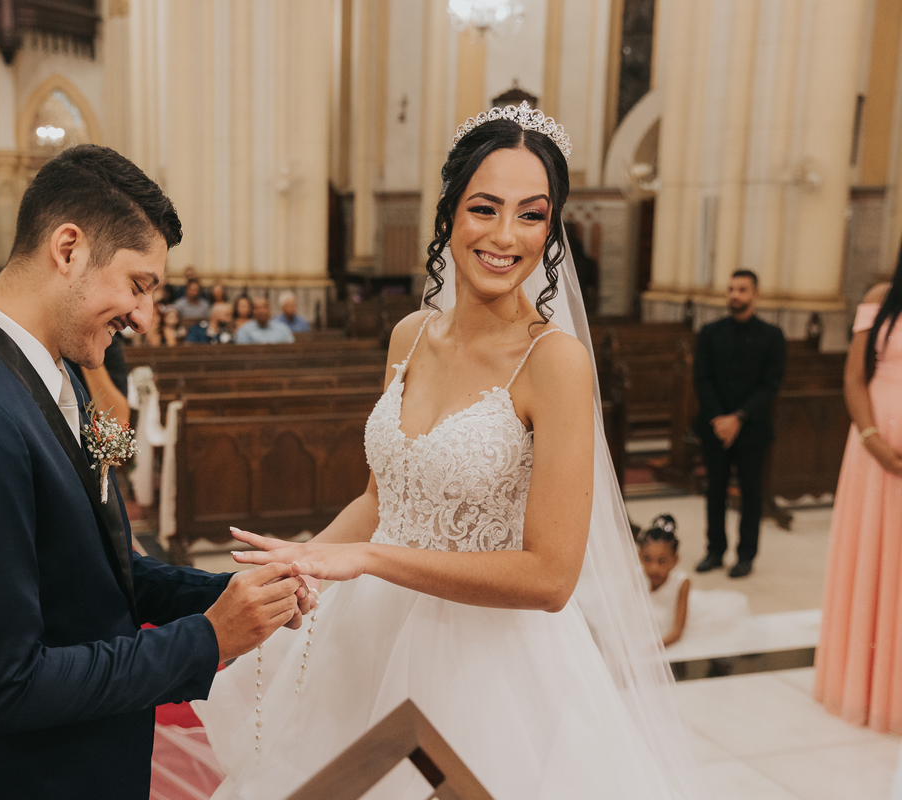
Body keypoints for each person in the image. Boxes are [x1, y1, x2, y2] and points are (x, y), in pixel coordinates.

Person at [195, 104, 703, 800]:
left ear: (551, 231)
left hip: (486, 663)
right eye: (484, 208)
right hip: (366, 636)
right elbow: (381, 502)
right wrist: (304, 555)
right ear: (448, 215)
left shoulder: (554, 362)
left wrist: (368, 561)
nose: (504, 236)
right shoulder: (409, 337)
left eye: (531, 215)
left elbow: (553, 578)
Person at [0, 143, 313, 799]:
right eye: (139, 285)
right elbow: (6, 686)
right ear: (68, 250)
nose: (144, 316)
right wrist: (206, 639)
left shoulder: (48, 373)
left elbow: (96, 569)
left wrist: (233, 598)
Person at [814, 251, 902, 735]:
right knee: (874, 560)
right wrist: (873, 440)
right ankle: (864, 688)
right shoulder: (880, 299)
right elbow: (853, 377)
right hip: (874, 453)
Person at [692, 270, 786, 578]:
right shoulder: (709, 332)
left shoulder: (772, 336)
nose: (735, 295)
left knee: (751, 493)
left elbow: (771, 384)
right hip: (714, 425)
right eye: (731, 289)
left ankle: (746, 555)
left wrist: (739, 418)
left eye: (742, 289)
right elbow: (702, 380)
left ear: (755, 294)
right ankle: (715, 550)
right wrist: (720, 419)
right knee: (715, 490)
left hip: (753, 428)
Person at [638, 514, 690, 647]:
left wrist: (653, 646)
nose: (654, 568)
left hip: (667, 635)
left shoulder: (682, 583)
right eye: (647, 559)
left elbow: (677, 631)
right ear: (639, 556)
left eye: (662, 561)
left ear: (675, 559)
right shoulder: (637, 576)